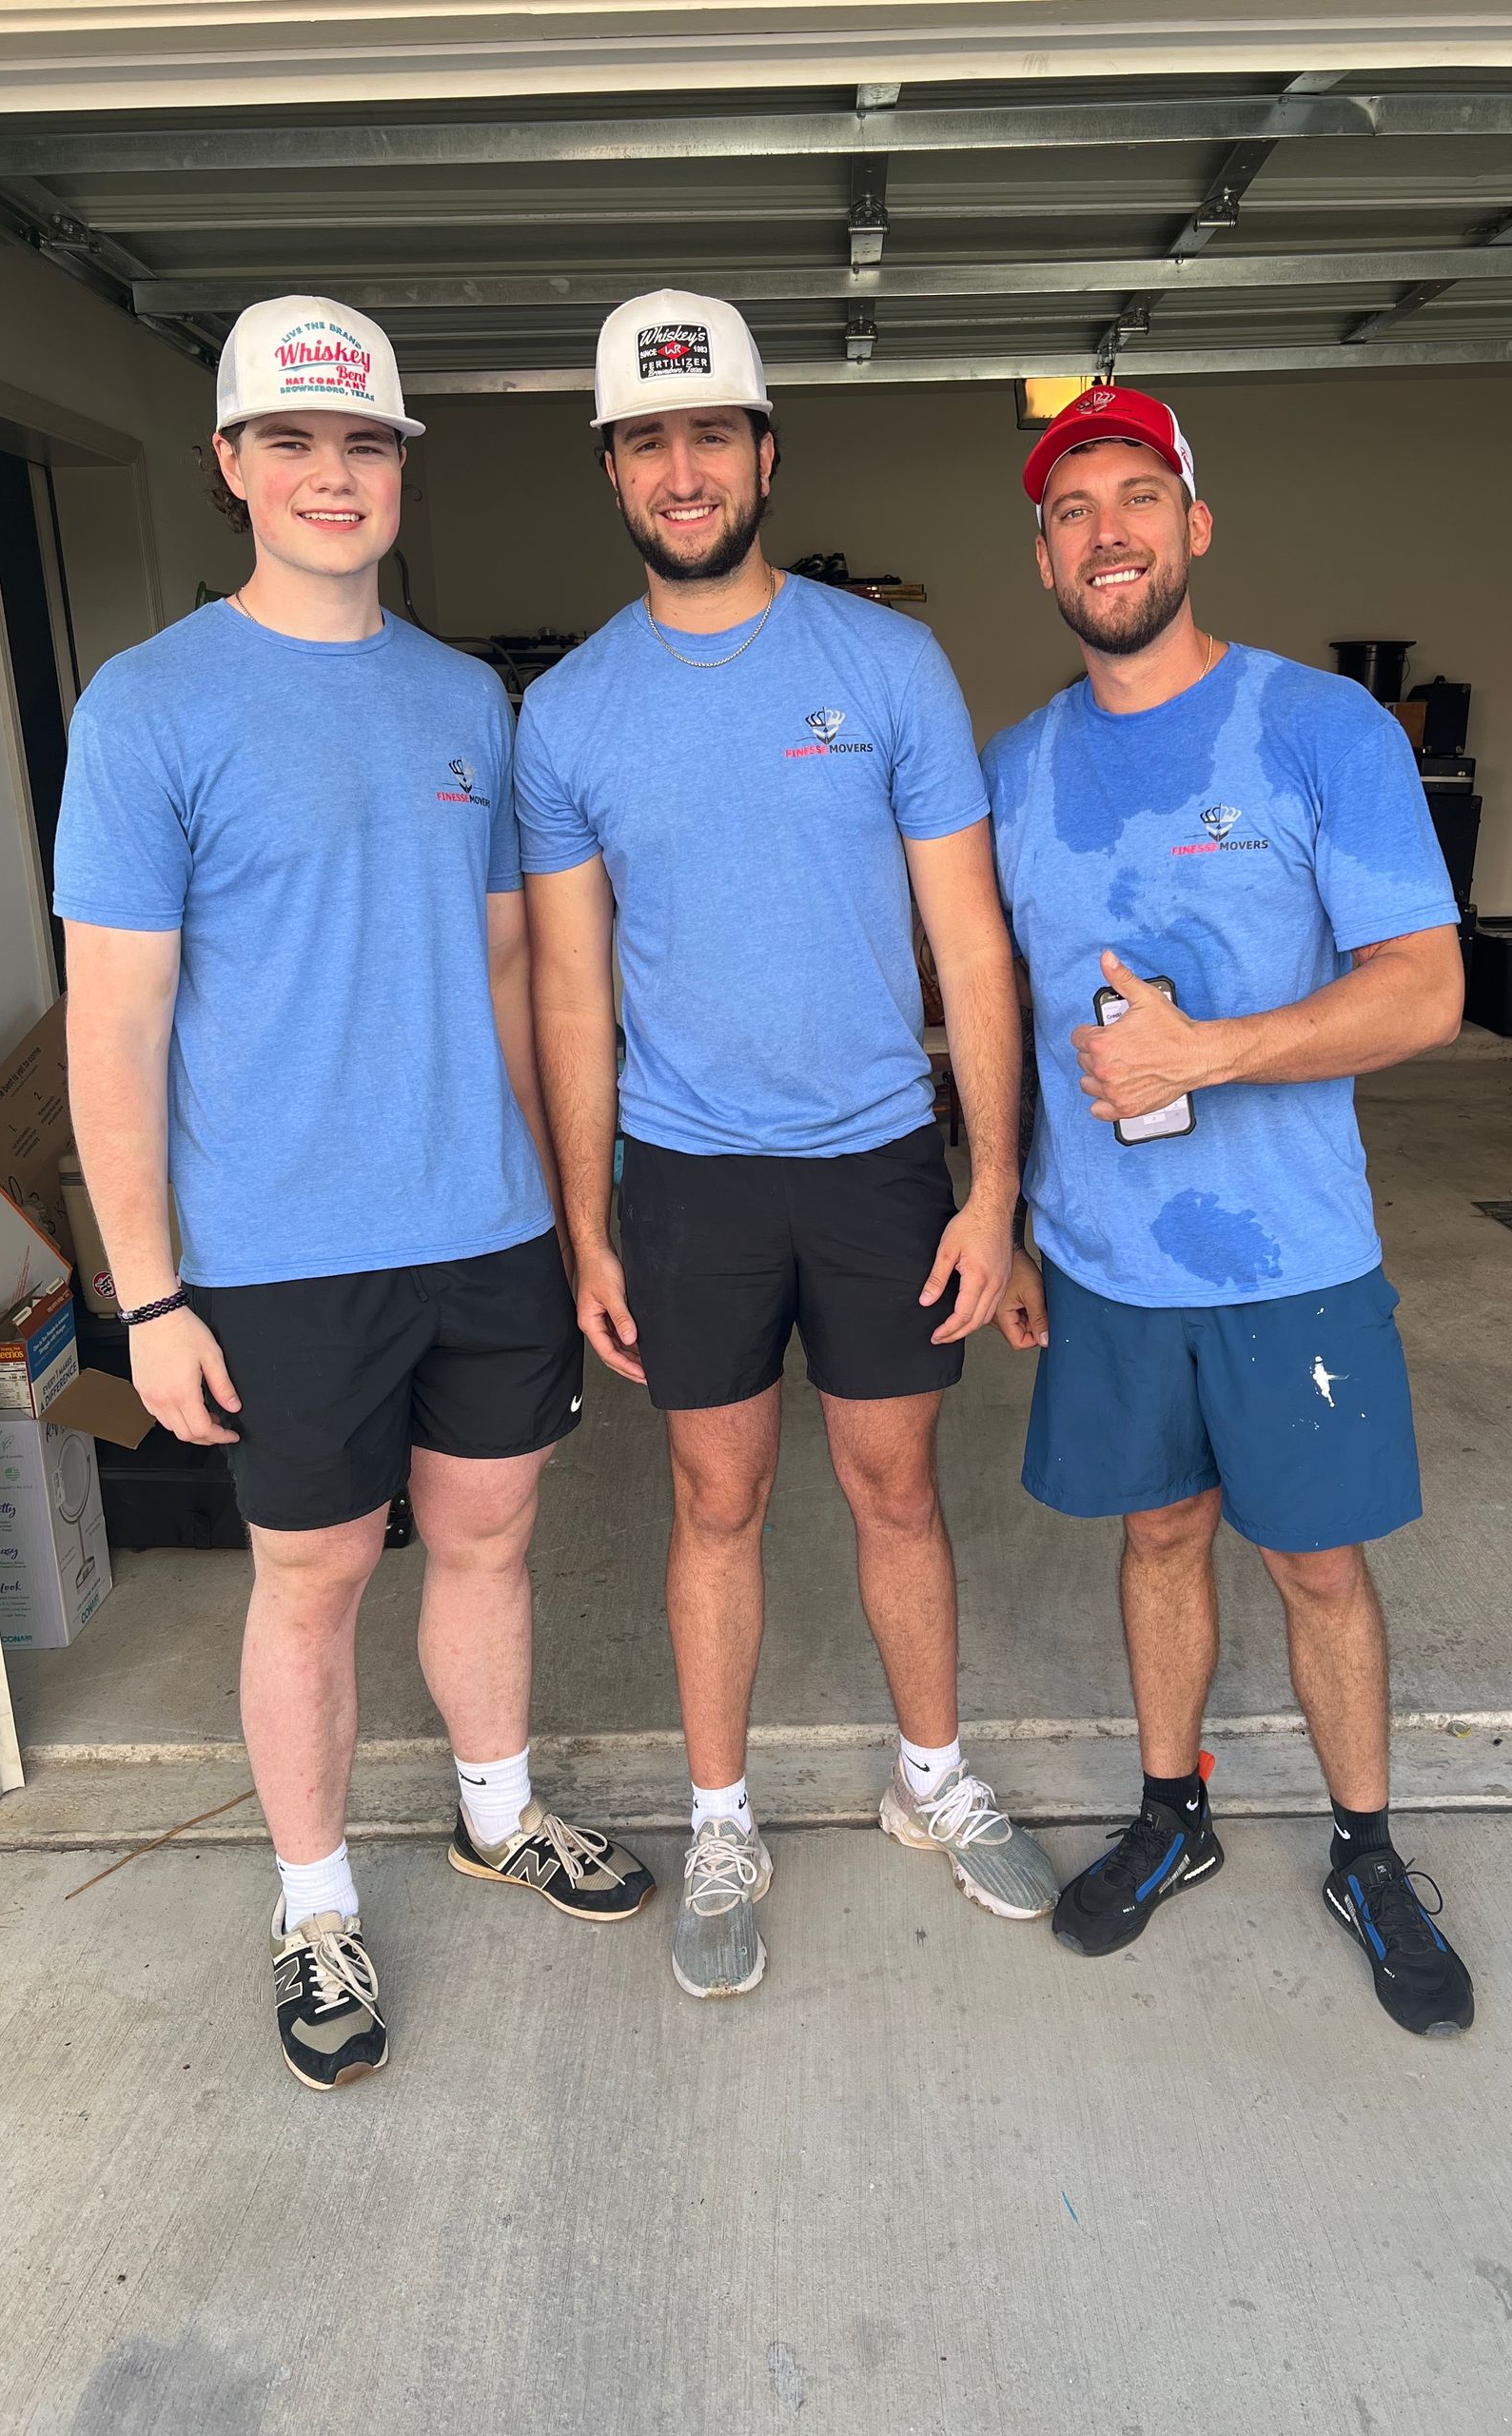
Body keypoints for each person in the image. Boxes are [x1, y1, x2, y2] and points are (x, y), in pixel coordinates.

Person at [55, 294, 652, 2093]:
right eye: (295, 443)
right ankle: (313, 1904)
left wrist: (570, 1215)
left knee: (487, 1540)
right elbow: (117, 1020)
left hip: (484, 1233)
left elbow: (501, 982)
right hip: (286, 1254)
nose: (334, 476)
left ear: (401, 471)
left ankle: (495, 1808)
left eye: (365, 445)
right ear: (230, 464)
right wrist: (148, 1294)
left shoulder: (469, 698)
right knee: (309, 1579)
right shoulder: (150, 703)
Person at [519, 288, 1058, 1999]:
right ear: (615, 472)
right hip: (686, 1176)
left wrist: (992, 1186)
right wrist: (587, 1224)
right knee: (716, 1494)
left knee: (896, 1482)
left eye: (712, 435)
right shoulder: (570, 714)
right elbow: (571, 996)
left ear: (765, 451)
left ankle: (929, 1778)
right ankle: (724, 1815)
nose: (684, 471)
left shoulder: (884, 664)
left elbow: (973, 948)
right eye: (648, 442)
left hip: (884, 1159)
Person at [986, 384, 1475, 2037]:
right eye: (1073, 508)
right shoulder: (1017, 769)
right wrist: (1024, 1220)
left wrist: (1221, 1050)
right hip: (1109, 1259)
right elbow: (1001, 1019)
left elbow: (1423, 991)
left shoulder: (1323, 729)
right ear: (1042, 551)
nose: (1105, 530)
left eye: (1136, 497)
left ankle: (1366, 1847)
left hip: (1292, 1256)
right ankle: (1173, 1811)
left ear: (1195, 525)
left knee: (1317, 1563)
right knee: (1159, 1532)